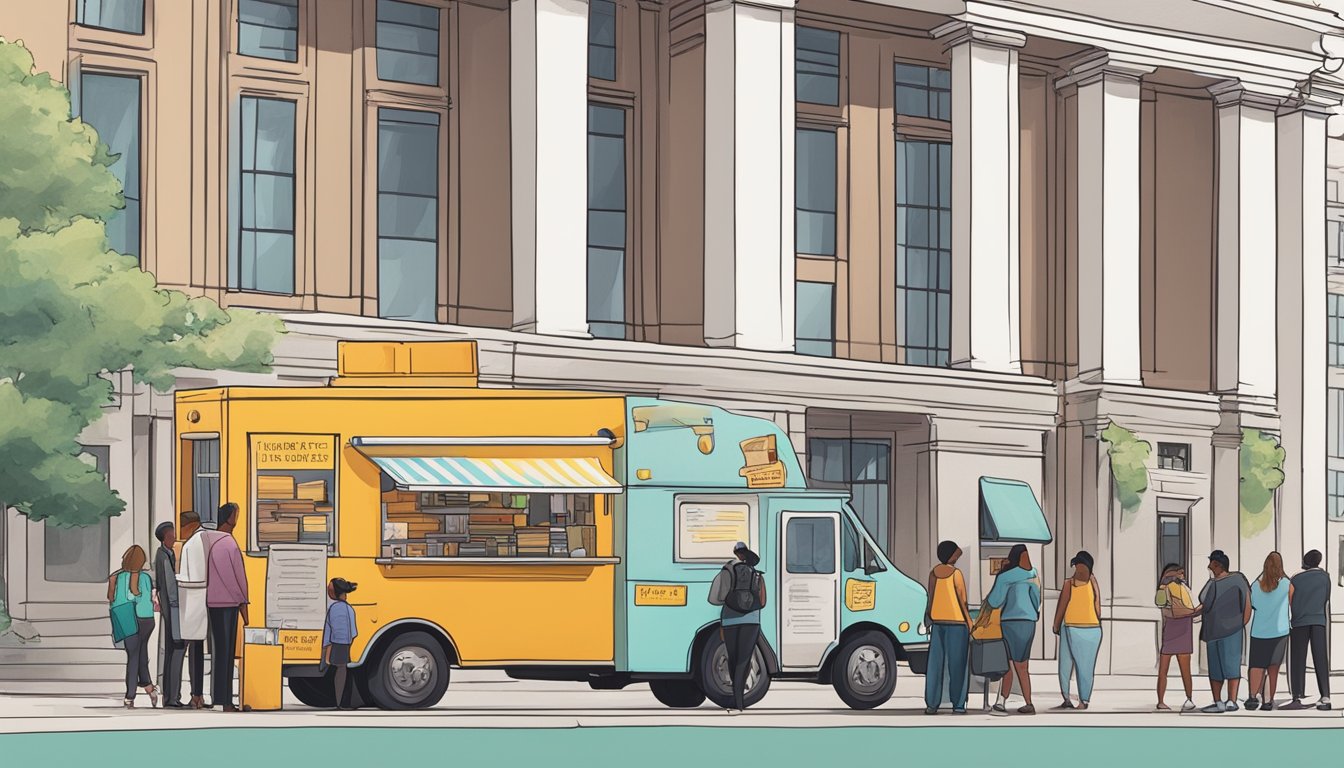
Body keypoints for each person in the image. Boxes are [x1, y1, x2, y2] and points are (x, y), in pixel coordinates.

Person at [707, 541, 766, 713]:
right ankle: (740, 701)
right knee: (744, 659)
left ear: (736, 553)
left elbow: (716, 598)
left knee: (732, 658)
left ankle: (736, 698)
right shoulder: (756, 574)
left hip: (731, 620)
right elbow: (762, 602)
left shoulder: (727, 571)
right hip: (751, 621)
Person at [985, 544, 1042, 716]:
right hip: (1029, 622)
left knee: (1008, 664)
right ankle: (1028, 702)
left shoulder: (1005, 576)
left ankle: (1001, 702)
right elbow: (1036, 599)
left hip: (1009, 622)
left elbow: (995, 601)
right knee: (1023, 665)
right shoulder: (1033, 574)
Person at [206, 502, 250, 713]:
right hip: (228, 604)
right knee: (226, 653)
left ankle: (219, 697)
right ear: (229, 517)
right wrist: (243, 601)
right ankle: (225, 701)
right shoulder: (228, 544)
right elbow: (236, 578)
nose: (237, 517)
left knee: (220, 652)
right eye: (236, 514)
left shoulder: (211, 541)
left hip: (214, 602)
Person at [1197, 549, 1252, 713]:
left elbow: (1247, 604)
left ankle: (1231, 701)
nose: (1209, 567)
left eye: (1211, 564)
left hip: (1231, 631)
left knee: (1231, 666)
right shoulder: (1212, 583)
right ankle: (1218, 701)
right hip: (1213, 631)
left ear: (1218, 565)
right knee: (1215, 669)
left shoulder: (1238, 579)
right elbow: (1203, 601)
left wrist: (1240, 624)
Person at [923, 540, 973, 715]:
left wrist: (928, 618)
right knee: (957, 665)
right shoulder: (956, 574)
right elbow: (963, 601)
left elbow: (930, 597)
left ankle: (932, 704)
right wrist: (970, 623)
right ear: (951, 554)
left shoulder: (933, 573)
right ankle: (958, 704)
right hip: (957, 624)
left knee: (935, 666)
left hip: (938, 623)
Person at [108, 545, 159, 709]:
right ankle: (149, 688)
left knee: (134, 657)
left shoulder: (115, 578)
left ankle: (130, 696)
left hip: (126, 618)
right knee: (140, 655)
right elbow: (142, 599)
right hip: (145, 620)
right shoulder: (144, 578)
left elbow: (112, 598)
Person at [1052, 550, 1102, 710]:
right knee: (1086, 666)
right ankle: (1084, 700)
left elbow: (1062, 606)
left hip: (1071, 626)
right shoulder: (1093, 581)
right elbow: (1097, 605)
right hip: (1093, 628)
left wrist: (1055, 624)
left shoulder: (1069, 584)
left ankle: (1067, 697)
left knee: (1066, 664)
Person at [1282, 549, 1331, 711]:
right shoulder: (1325, 577)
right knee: (1321, 658)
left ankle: (1297, 696)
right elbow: (1326, 599)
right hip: (1318, 621)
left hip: (1299, 622)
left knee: (1298, 659)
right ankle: (1325, 695)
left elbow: (1290, 599)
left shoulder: (1296, 578)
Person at [1245, 551, 1291, 711]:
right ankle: (1268, 700)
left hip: (1259, 631)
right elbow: (1293, 605)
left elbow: (1252, 605)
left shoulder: (1255, 586)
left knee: (1257, 665)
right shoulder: (1287, 584)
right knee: (1273, 667)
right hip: (1280, 632)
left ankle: (1252, 697)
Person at [176, 510, 213, 709]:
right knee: (197, 651)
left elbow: (197, 577)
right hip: (201, 602)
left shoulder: (194, 543)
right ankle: (197, 694)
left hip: (194, 602)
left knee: (194, 651)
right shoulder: (205, 538)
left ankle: (196, 695)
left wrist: (176, 578)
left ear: (189, 525)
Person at [1154, 563, 1197, 712]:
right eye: (1180, 572)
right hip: (1173, 629)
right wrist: (1194, 611)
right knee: (1165, 669)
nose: (1183, 575)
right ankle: (1161, 701)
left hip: (1184, 628)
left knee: (1185, 669)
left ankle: (1189, 698)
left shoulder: (1185, 588)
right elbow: (1164, 607)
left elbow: (1189, 605)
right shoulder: (1165, 589)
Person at [153, 522, 186, 708]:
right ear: (165, 537)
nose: (175, 537)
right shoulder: (164, 556)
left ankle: (171, 696)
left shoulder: (168, 553)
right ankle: (172, 697)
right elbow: (170, 587)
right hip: (172, 608)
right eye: (172, 535)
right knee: (176, 649)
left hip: (170, 607)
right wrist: (178, 606)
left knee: (173, 651)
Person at [322, 578, 359, 709]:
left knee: (337, 671)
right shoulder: (349, 609)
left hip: (335, 644)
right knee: (343, 670)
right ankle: (342, 702)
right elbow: (354, 632)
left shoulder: (333, 609)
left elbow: (328, 630)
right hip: (346, 645)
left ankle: (338, 702)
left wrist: (327, 648)